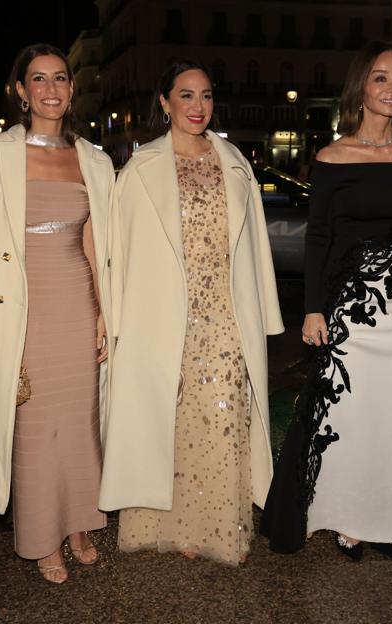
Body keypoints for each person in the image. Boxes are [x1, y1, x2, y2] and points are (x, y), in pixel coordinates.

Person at [0, 43, 114, 583]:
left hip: (76, 302)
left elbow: (94, 240)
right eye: (39, 80)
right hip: (21, 308)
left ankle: (81, 523)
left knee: (81, 423)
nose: (52, 89)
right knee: (35, 425)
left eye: (60, 78)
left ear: (71, 86)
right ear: (20, 91)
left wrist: (105, 312)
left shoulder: (93, 158)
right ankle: (42, 539)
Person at [99, 60, 284, 566]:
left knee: (223, 415)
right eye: (185, 95)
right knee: (171, 418)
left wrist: (264, 313)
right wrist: (115, 322)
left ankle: (217, 523)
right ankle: (172, 522)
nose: (198, 107)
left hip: (225, 314)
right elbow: (122, 250)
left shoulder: (234, 162)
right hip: (163, 315)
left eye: (205, 96)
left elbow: (254, 251)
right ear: (164, 102)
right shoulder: (141, 169)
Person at [261, 40, 392, 560]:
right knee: (345, 413)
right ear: (361, 87)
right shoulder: (334, 158)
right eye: (380, 77)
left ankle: (381, 519)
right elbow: (319, 240)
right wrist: (314, 307)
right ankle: (344, 517)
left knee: (387, 415)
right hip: (348, 307)